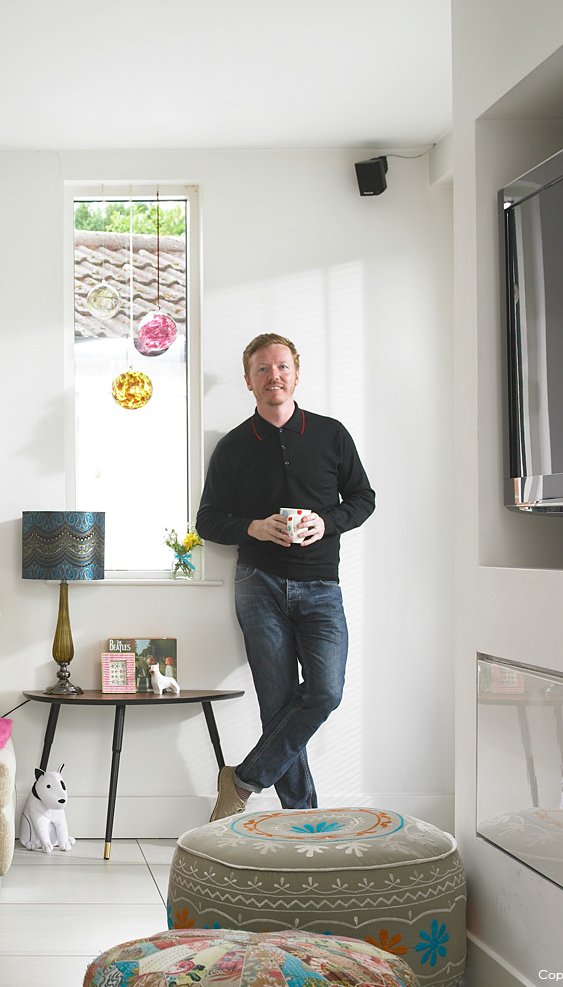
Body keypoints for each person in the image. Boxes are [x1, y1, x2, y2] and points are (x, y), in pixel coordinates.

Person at [195, 333, 375, 819]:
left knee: (324, 692)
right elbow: (207, 521)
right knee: (277, 707)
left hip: (322, 586)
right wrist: (252, 527)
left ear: (296, 373)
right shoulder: (233, 447)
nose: (273, 376)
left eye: (281, 367)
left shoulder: (331, 434)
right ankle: (303, 820)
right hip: (259, 583)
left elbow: (363, 499)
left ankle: (243, 779)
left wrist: (327, 521)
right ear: (249, 380)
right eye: (262, 369)